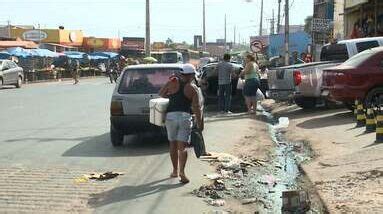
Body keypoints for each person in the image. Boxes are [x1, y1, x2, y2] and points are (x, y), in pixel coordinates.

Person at [159, 64, 203, 184]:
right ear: (190, 75)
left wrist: (171, 95)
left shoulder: (172, 82)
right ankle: (182, 172)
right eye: (193, 75)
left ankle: (174, 171)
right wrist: (199, 123)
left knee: (172, 144)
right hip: (184, 117)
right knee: (182, 147)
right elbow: (196, 107)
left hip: (170, 117)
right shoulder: (192, 88)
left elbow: (161, 93)